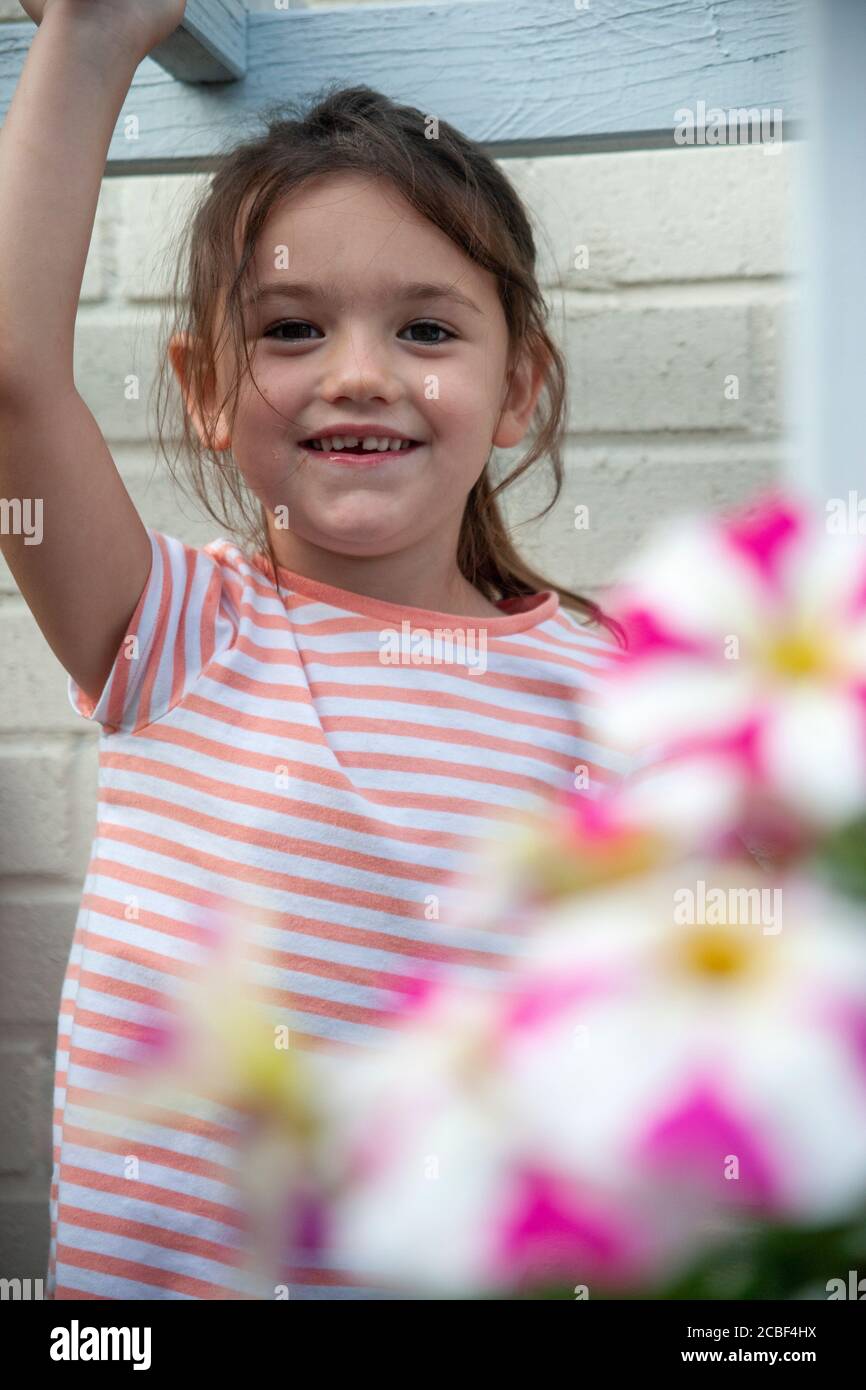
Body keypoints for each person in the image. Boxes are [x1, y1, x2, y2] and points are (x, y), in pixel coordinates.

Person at [0, 0, 630, 1299]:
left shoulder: (608, 694)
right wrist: (95, 34)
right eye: (291, 327)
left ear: (520, 388)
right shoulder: (171, 628)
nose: (357, 373)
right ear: (205, 386)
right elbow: (11, 376)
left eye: (426, 328)